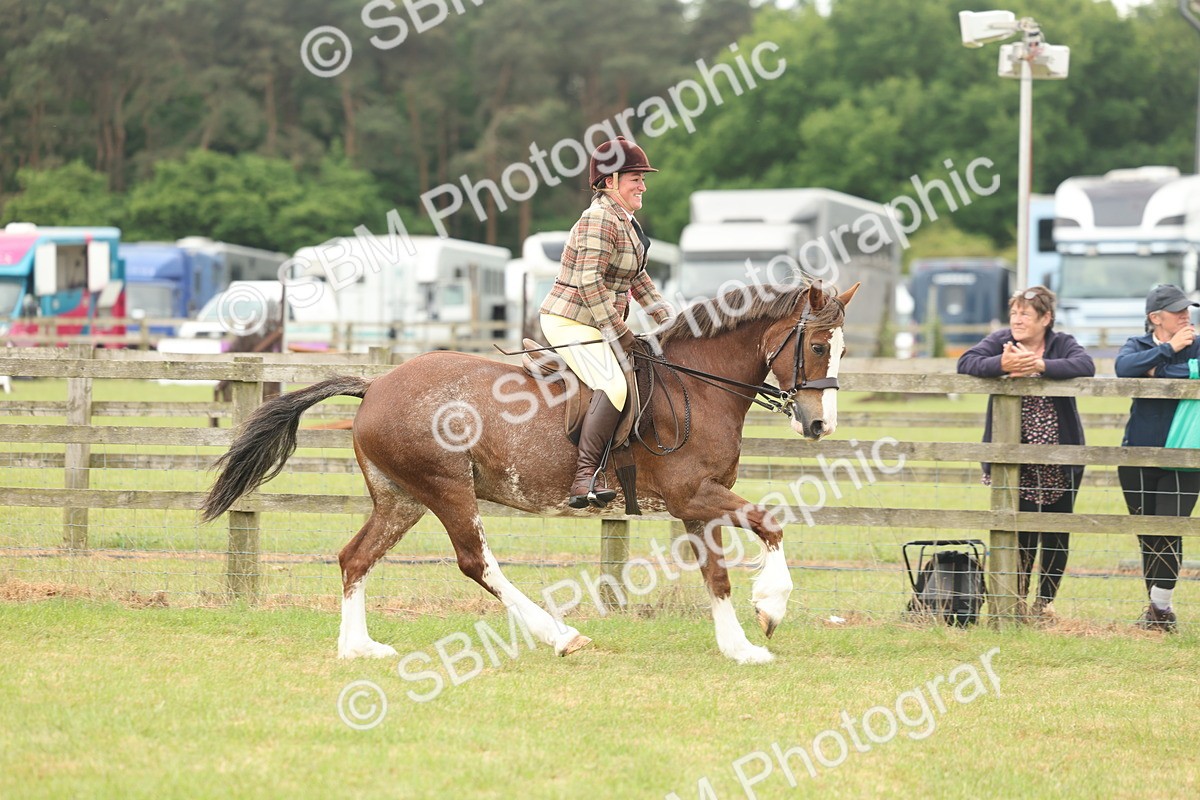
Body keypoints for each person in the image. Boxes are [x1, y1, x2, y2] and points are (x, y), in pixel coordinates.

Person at [539, 136, 674, 508]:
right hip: (570, 320)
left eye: (643, 179)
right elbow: (588, 281)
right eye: (636, 179)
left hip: (597, 322)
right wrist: (619, 331)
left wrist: (674, 322)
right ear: (611, 181)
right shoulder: (599, 219)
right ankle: (583, 478)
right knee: (614, 386)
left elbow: (638, 280)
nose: (643, 186)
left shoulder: (625, 221)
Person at [957, 286, 1095, 621]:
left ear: (1046, 318)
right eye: (1014, 313)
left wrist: (1040, 364)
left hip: (1059, 457)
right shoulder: (1001, 339)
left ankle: (1043, 603)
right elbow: (966, 362)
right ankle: (1014, 603)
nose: (1017, 320)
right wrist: (1001, 363)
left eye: (1025, 314)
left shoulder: (1062, 343)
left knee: (1056, 531)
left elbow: (1085, 364)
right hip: (1012, 457)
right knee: (1017, 530)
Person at [1114, 284, 1200, 632]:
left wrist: (1161, 371)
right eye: (1178, 311)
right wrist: (1167, 350)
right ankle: (1158, 612)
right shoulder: (1139, 344)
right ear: (1155, 318)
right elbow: (1124, 367)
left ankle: (1159, 608)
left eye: (1187, 309)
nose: (1186, 315)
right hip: (1138, 453)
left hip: (1186, 456)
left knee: (1168, 530)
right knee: (1148, 535)